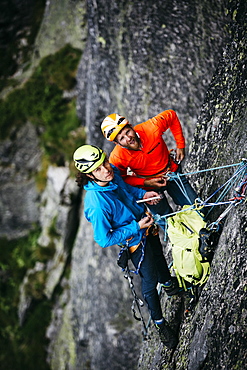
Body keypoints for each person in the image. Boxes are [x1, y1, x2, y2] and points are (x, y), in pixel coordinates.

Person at [73, 144, 179, 348]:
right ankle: (160, 324)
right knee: (149, 279)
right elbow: (104, 239)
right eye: (98, 169)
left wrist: (143, 195)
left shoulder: (111, 175)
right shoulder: (97, 205)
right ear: (89, 175)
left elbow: (128, 190)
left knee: (159, 257)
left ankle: (170, 286)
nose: (106, 168)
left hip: (144, 225)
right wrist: (136, 226)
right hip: (134, 239)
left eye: (104, 162)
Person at [101, 110, 199, 230]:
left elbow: (171, 116)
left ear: (131, 127)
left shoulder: (151, 128)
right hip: (148, 187)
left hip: (171, 173)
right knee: (167, 222)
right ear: (117, 143)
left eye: (128, 131)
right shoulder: (118, 157)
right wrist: (146, 183)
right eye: (122, 138)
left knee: (198, 208)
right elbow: (121, 179)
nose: (128, 138)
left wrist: (180, 146)